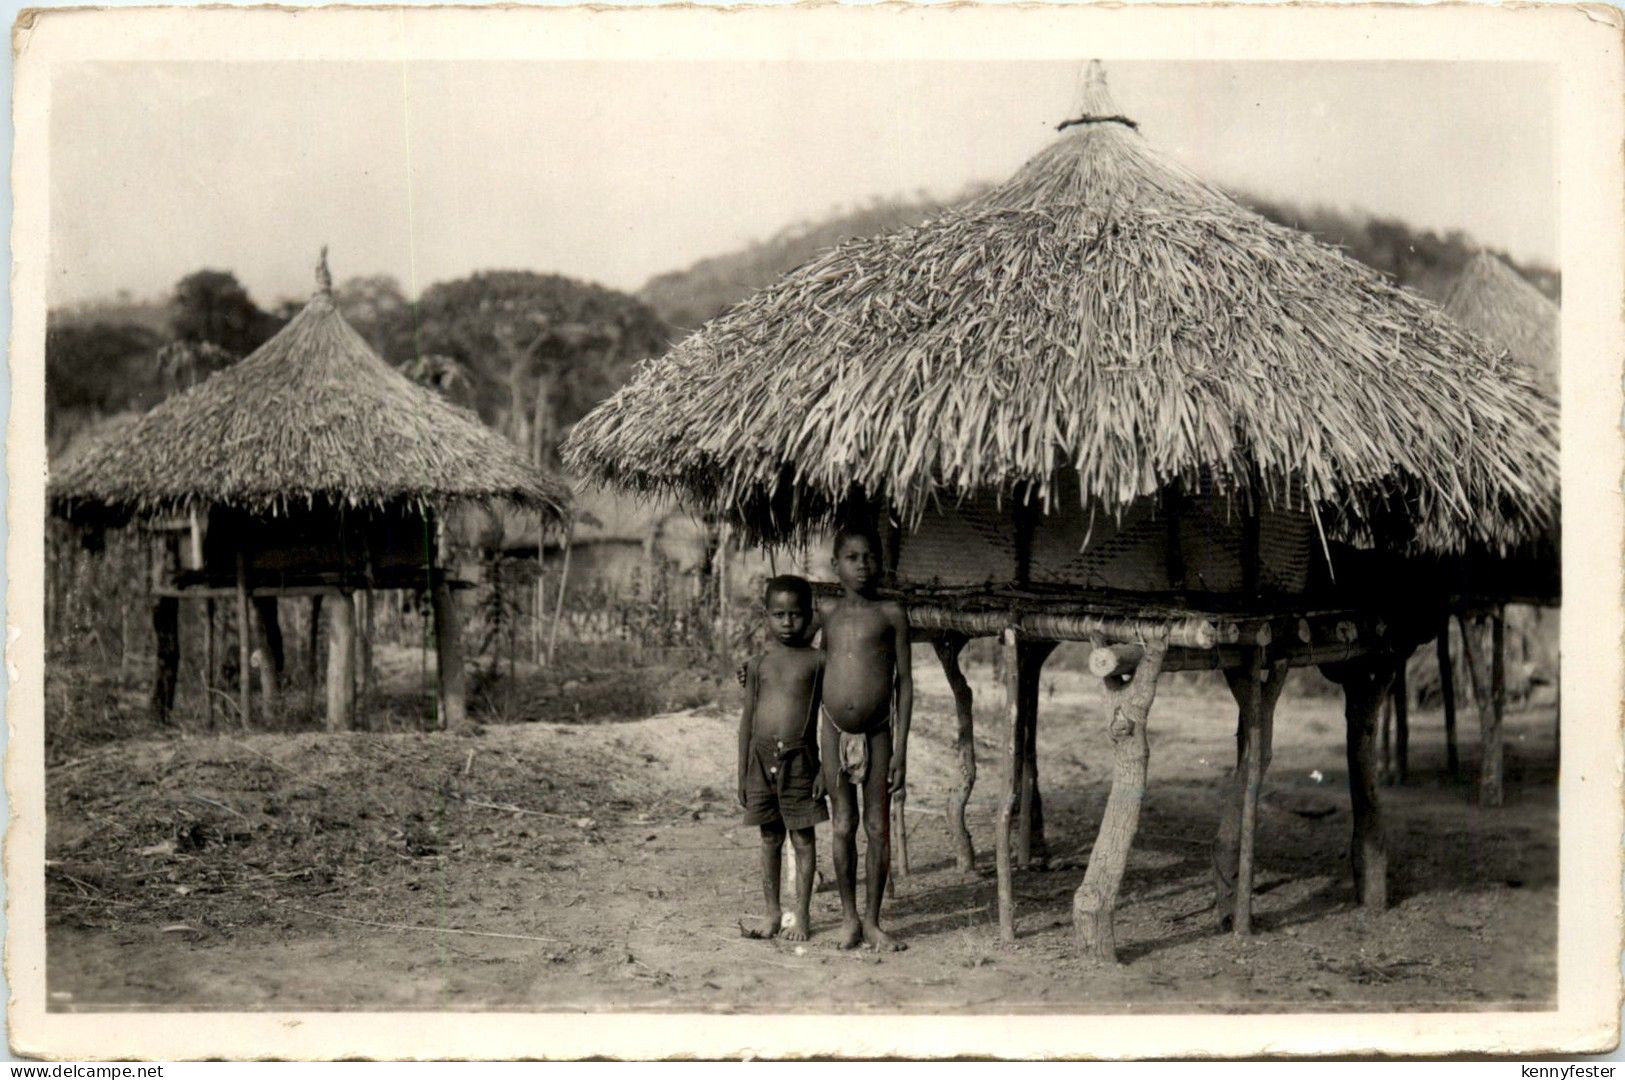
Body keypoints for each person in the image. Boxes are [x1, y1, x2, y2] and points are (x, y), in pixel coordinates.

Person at [819, 525, 912, 951]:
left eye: (869, 557)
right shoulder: (826, 614)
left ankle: (874, 922)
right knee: (842, 826)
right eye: (852, 558)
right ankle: (849, 918)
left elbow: (905, 684)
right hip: (833, 730)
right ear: (835, 565)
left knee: (877, 827)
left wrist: (901, 751)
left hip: (878, 733)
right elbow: (794, 655)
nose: (862, 565)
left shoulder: (891, 613)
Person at [736, 575, 827, 942]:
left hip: (801, 761)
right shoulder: (758, 664)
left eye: (796, 614)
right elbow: (747, 720)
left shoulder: (819, 661)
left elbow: (832, 718)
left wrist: (825, 767)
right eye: (778, 614)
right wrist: (741, 772)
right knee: (769, 838)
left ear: (809, 616)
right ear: (765, 616)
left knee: (803, 839)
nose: (787, 622)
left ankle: (801, 915)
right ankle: (773, 912)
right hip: (760, 761)